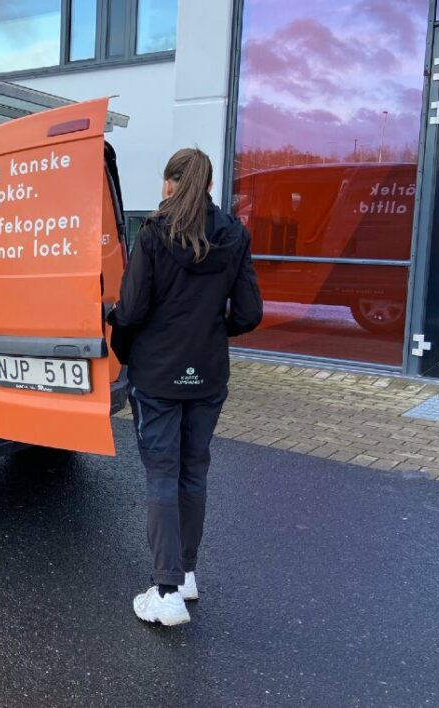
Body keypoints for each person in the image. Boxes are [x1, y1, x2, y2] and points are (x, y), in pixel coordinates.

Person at [108, 148, 262, 627]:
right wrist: (211, 332)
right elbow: (250, 313)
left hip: (157, 376)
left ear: (170, 183)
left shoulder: (154, 235)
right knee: (193, 472)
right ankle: (186, 575)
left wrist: (113, 324)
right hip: (208, 374)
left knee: (161, 477)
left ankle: (167, 591)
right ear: (210, 187)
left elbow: (130, 311)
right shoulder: (234, 235)